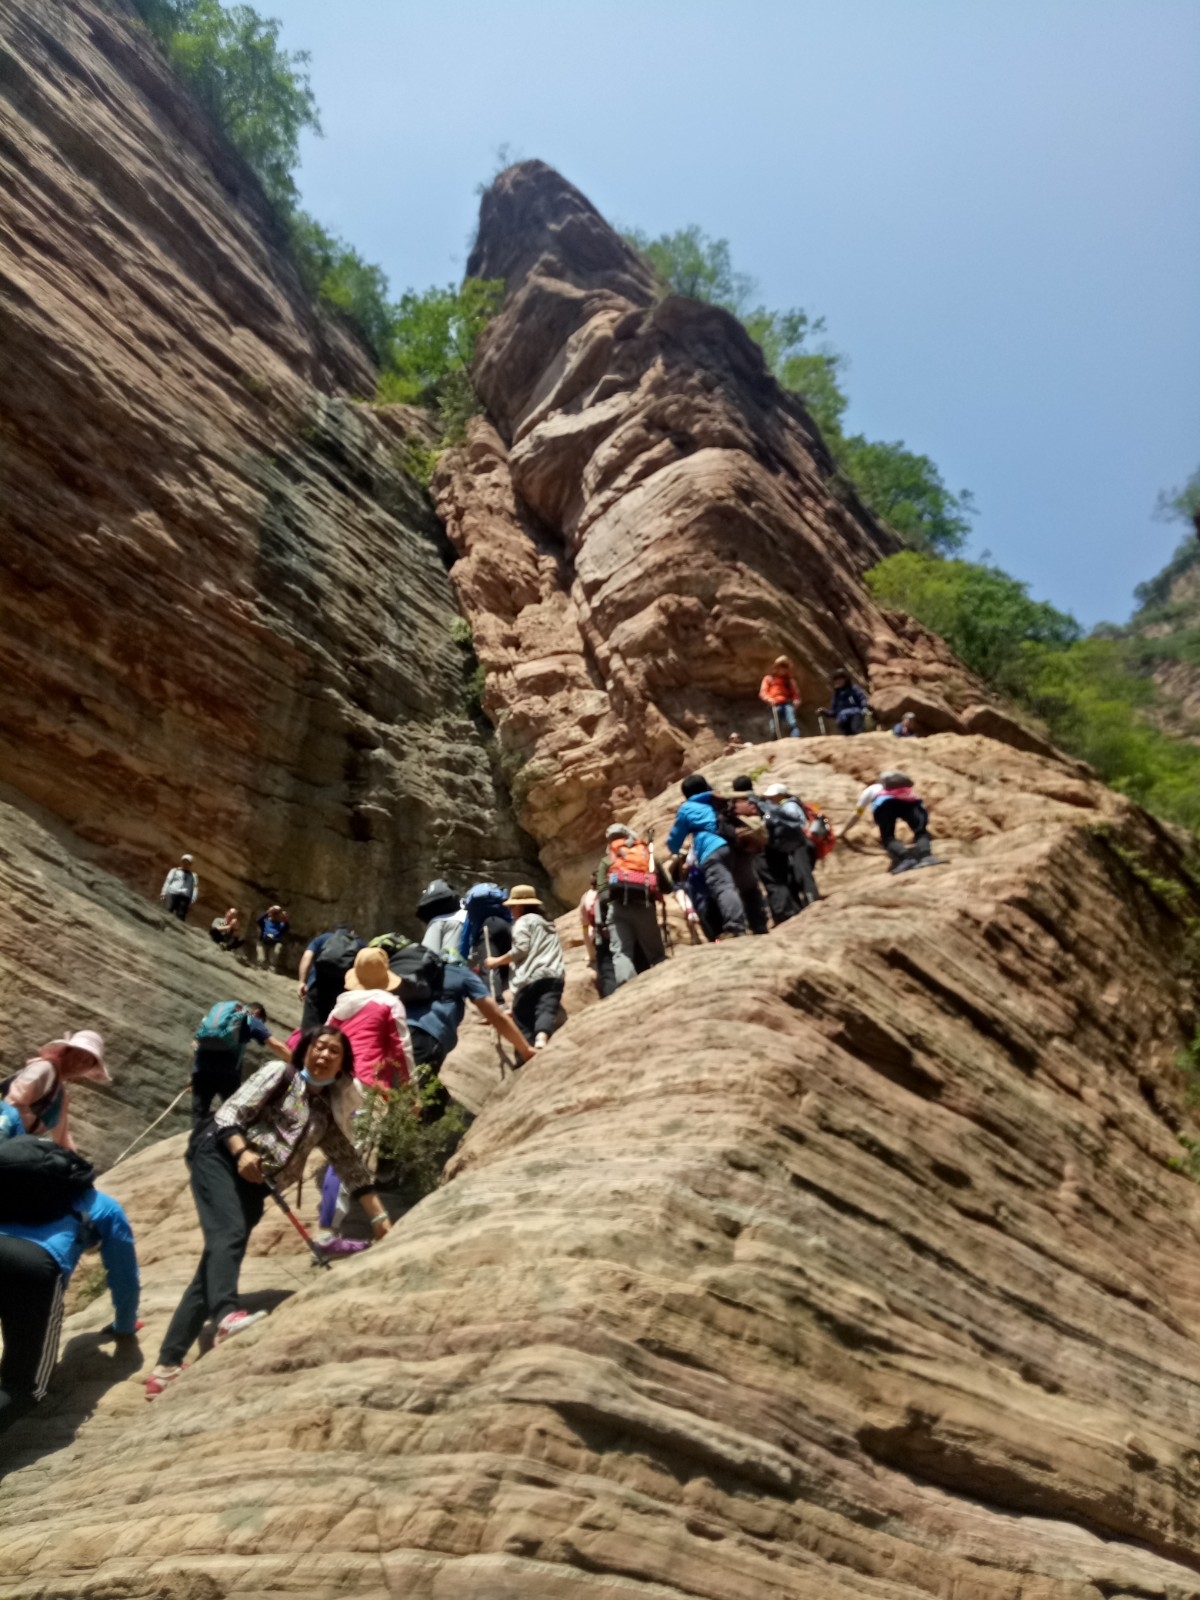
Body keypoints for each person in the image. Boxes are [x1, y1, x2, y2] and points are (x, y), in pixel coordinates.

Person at [147, 1027, 389, 1399]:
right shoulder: (279, 1075)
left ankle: (166, 1365)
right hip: (220, 1156)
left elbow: (348, 1162)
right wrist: (242, 1151)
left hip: (257, 1184)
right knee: (228, 1235)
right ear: (305, 1051)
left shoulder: (324, 1113)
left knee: (216, 1258)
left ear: (343, 1065)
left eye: (333, 1052)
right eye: (318, 1047)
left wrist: (379, 1219)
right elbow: (230, 1113)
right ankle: (227, 1316)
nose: (323, 1055)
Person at [0, 1182, 139, 1430]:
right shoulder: (105, 1206)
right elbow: (124, 1278)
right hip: (35, 1269)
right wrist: (124, 1326)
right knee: (25, 1387)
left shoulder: (23, 1187)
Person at [666, 775, 767, 938]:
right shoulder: (720, 798)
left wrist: (673, 848)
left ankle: (735, 928)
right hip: (736, 843)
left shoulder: (688, 807)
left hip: (711, 848)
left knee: (723, 886)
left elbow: (675, 839)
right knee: (748, 887)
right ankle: (759, 925)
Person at [485, 887, 565, 1050]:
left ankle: (527, 1051)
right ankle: (542, 1037)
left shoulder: (523, 922)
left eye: (512, 907)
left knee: (522, 1014)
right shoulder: (547, 924)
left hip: (530, 977)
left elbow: (520, 949)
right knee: (547, 1006)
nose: (511, 911)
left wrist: (497, 961)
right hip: (553, 975)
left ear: (520, 907)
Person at [2, 1031, 109, 1151]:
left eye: (86, 1062)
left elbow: (62, 1136)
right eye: (77, 1056)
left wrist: (75, 1161)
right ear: (65, 1053)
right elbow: (12, 1103)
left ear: (88, 1069)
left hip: (15, 1144)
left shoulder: (61, 1095)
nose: (78, 1064)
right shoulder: (44, 1069)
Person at [191, 1001, 291, 1128]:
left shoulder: (214, 1020)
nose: (262, 1025)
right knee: (232, 1113)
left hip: (201, 1070)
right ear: (257, 1013)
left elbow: (196, 1044)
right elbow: (275, 1045)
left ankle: (197, 1141)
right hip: (227, 1073)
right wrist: (298, 1061)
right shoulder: (251, 1018)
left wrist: (193, 1076)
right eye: (262, 1021)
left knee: (199, 1114)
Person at [326, 949, 412, 1093]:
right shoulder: (389, 1004)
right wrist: (410, 1090)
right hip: (367, 1082)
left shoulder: (342, 1004)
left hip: (333, 1077)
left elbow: (323, 1035)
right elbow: (401, 1049)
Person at [599, 824, 666, 987]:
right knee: (655, 952)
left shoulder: (608, 859)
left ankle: (627, 986)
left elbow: (602, 893)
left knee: (621, 953)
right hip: (644, 906)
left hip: (618, 909)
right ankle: (666, 980)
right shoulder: (644, 853)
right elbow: (665, 882)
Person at [842, 770, 933, 871]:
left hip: (885, 805)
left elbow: (857, 814)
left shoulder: (871, 789)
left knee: (888, 837)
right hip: (911, 804)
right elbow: (918, 801)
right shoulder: (903, 789)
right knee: (921, 832)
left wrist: (843, 831)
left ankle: (907, 859)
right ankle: (926, 857)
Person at [762, 782, 821, 910]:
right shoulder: (784, 806)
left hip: (799, 844)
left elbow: (797, 824)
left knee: (803, 874)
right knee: (795, 876)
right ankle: (806, 904)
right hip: (796, 845)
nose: (770, 798)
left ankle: (813, 902)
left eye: (773, 795)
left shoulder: (789, 806)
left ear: (781, 795)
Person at [297, 925, 362, 1031]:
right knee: (331, 1028)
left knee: (309, 1028)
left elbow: (307, 956)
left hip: (317, 985)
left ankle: (308, 1044)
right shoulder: (359, 944)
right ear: (353, 932)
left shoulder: (324, 938)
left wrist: (302, 981)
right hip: (341, 991)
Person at [579, 874, 618, 999]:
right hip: (620, 932)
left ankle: (610, 996)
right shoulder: (614, 889)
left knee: (607, 971)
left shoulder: (586, 897)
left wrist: (591, 955)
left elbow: (585, 927)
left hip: (600, 936)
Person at [417, 881, 467, 961]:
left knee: (428, 959)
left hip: (446, 924)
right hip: (460, 923)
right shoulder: (465, 911)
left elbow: (428, 955)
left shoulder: (437, 922)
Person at [759, 655, 803, 739]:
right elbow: (763, 692)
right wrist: (769, 699)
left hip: (787, 703)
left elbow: (795, 693)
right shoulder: (768, 678)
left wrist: (796, 701)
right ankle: (774, 741)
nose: (784, 669)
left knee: (792, 722)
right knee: (774, 726)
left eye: (785, 667)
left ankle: (795, 738)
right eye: (782, 666)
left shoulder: (789, 680)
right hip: (774, 704)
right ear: (776, 667)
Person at [823, 669, 871, 736]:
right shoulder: (837, 695)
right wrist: (825, 713)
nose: (838, 681)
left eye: (840, 679)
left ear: (846, 679)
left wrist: (864, 707)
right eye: (836, 679)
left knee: (856, 731)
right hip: (843, 719)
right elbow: (834, 712)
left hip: (855, 715)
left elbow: (862, 699)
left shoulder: (854, 689)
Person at [160, 854, 198, 921]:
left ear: (190, 864)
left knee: (181, 915)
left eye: (187, 862)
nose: (185, 864)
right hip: (172, 892)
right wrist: (163, 892)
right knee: (167, 909)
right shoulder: (174, 870)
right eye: (184, 862)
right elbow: (168, 881)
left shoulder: (194, 876)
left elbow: (195, 887)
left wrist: (193, 897)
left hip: (185, 896)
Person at [255, 906, 289, 970]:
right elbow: (258, 920)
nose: (275, 915)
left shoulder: (281, 924)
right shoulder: (265, 921)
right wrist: (268, 911)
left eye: (277, 914)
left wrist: (285, 917)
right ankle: (260, 966)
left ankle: (272, 967)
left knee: (277, 948)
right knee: (261, 959)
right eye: (274, 913)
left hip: (274, 944)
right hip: (263, 942)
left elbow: (287, 927)